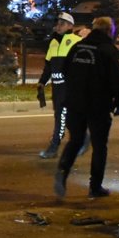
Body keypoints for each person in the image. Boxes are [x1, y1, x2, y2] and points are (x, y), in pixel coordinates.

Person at [54, 16, 119, 199]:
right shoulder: (108, 50)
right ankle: (95, 187)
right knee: (99, 146)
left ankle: (63, 170)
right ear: (110, 31)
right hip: (98, 105)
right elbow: (118, 79)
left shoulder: (77, 47)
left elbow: (64, 69)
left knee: (75, 140)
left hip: (75, 103)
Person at [37, 12, 82, 158]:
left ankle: (54, 146)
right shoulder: (54, 42)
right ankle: (83, 138)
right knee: (63, 116)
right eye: (58, 23)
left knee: (60, 115)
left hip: (69, 87)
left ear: (70, 26)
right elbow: (49, 66)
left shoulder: (76, 41)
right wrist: (42, 82)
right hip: (57, 86)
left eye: (62, 23)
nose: (59, 26)